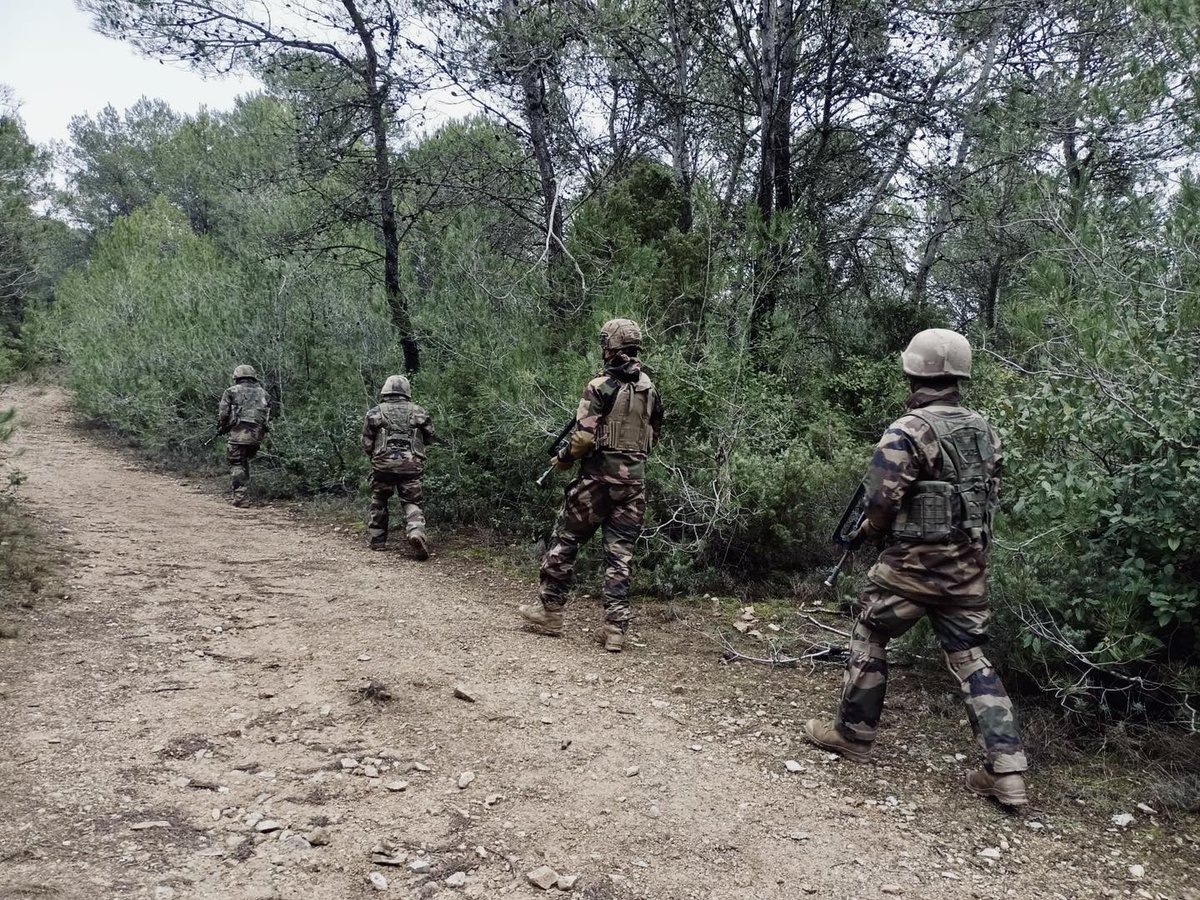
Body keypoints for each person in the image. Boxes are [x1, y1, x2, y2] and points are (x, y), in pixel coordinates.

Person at [801, 328, 1030, 807]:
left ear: (913, 370)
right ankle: (1007, 772)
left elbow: (881, 503)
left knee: (869, 633)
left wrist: (871, 531)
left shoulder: (907, 431)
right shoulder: (985, 429)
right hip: (968, 568)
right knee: (971, 658)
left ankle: (854, 735)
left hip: (911, 569)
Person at [519, 318, 664, 653]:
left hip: (596, 481)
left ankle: (550, 611)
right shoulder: (650, 389)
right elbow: (654, 436)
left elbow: (583, 436)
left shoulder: (599, 385)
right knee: (620, 556)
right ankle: (615, 629)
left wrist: (566, 457)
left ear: (611, 346)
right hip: (634, 484)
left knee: (566, 540)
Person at [362, 375, 435, 559]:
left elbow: (367, 442)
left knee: (379, 499)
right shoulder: (418, 411)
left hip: (383, 466)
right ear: (407, 392)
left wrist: (375, 458)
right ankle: (416, 532)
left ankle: (377, 541)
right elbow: (430, 436)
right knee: (412, 502)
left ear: (386, 391)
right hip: (411, 466)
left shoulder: (375, 412)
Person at [217, 365, 270, 507]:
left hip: (238, 434)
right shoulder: (264, 393)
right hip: (257, 435)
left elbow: (223, 414)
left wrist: (224, 427)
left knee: (236, 464)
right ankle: (243, 492)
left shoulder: (231, 391)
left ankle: (240, 497)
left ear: (237, 377)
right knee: (244, 462)